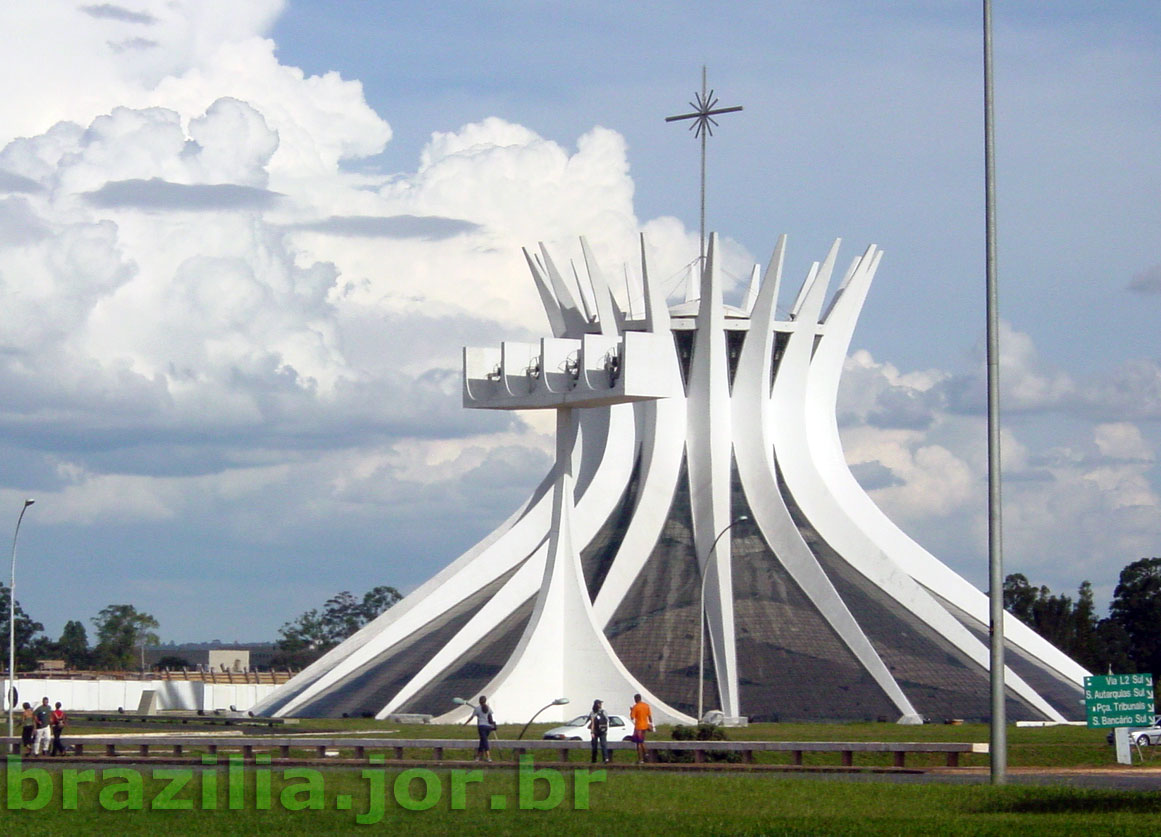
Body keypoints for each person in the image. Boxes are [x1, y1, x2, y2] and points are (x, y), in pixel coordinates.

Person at [629, 693, 653, 764]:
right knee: (642, 741)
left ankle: (642, 758)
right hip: (645, 726)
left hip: (638, 727)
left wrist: (631, 710)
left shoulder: (635, 707)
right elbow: (650, 716)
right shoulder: (646, 705)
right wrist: (651, 724)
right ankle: (646, 754)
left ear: (636, 699)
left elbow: (632, 717)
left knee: (639, 743)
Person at [471, 695, 495, 762]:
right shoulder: (489, 708)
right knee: (483, 741)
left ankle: (488, 757)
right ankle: (478, 757)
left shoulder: (477, 708)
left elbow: (472, 717)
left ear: (479, 701)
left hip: (481, 727)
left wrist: (465, 724)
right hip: (488, 727)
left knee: (484, 741)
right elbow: (490, 718)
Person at [589, 699, 610, 764]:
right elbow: (608, 720)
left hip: (597, 731)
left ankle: (595, 759)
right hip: (601, 730)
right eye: (600, 703)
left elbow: (592, 723)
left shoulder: (593, 713)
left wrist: (592, 732)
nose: (601, 705)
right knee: (603, 745)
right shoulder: (603, 712)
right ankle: (605, 759)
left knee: (596, 745)